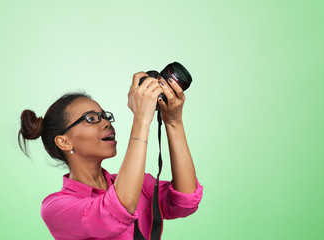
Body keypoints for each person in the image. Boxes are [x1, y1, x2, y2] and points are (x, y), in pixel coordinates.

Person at [18, 72, 203, 240]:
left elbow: (185, 201)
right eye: (91, 118)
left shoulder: (140, 184)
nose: (106, 123)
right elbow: (118, 209)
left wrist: (173, 121)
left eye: (104, 115)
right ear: (64, 142)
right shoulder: (56, 207)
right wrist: (141, 119)